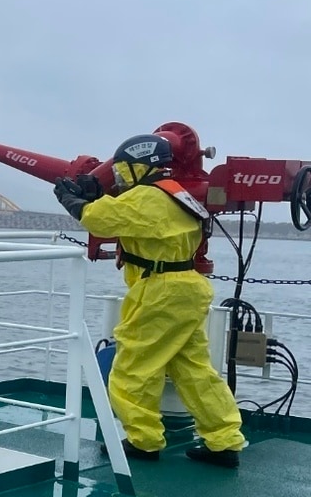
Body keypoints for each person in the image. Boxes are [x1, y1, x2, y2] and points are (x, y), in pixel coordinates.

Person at [54, 133, 245, 468]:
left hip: (161, 290)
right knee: (194, 369)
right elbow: (136, 219)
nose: (121, 177)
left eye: (124, 171)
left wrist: (73, 201)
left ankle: (143, 442)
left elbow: (101, 219)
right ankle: (224, 440)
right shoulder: (176, 194)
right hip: (188, 287)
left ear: (139, 167)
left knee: (133, 368)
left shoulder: (146, 197)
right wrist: (99, 197)